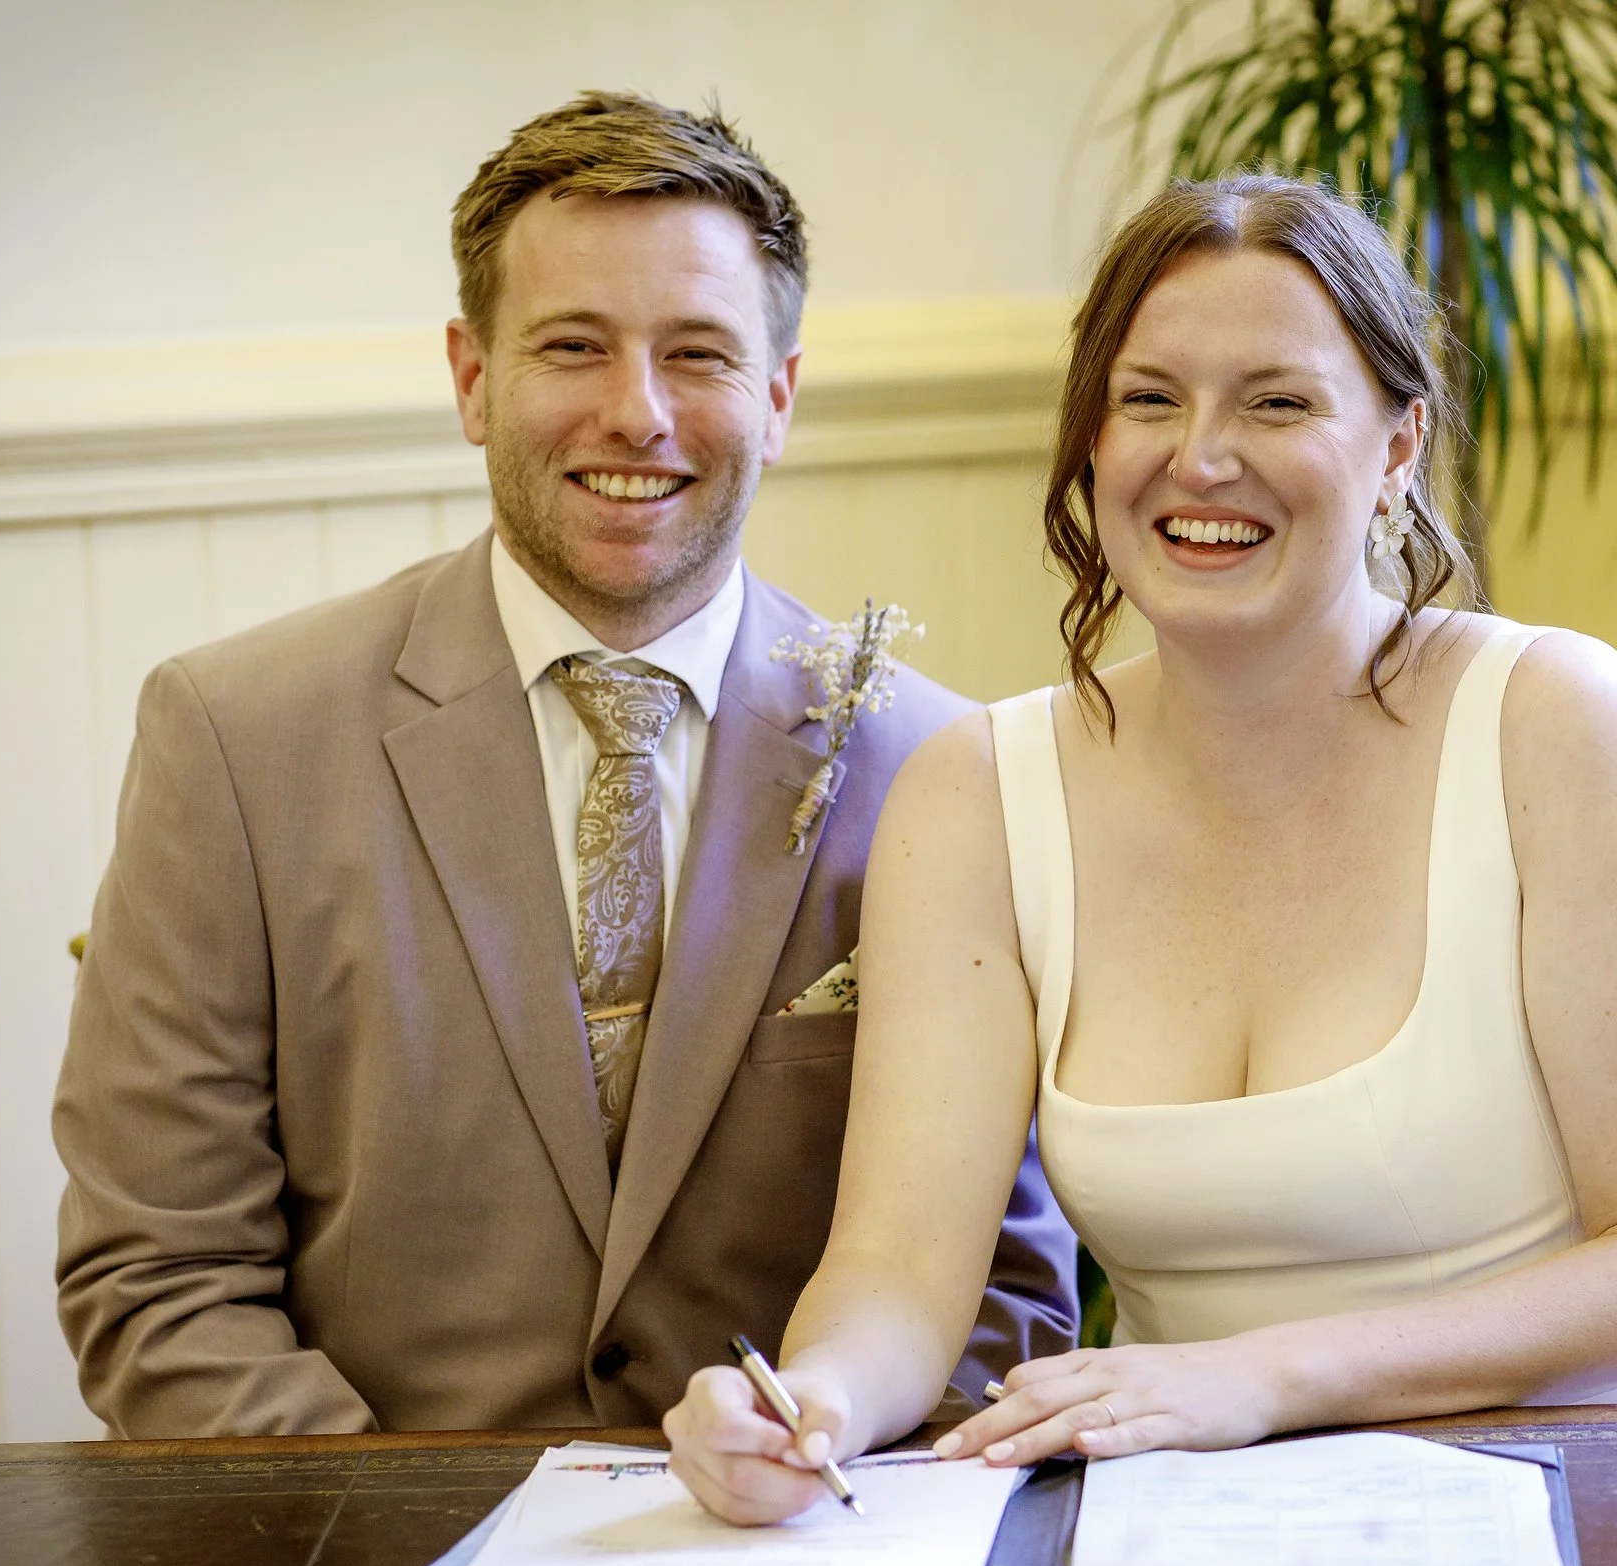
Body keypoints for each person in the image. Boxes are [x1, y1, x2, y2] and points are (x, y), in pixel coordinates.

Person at [665, 174, 1617, 1523]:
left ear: (1400, 446)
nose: (1202, 457)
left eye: (1276, 402)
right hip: (1205, 1521)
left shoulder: (1561, 728)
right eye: (1151, 398)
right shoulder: (976, 794)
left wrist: (1264, 1377)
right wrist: (805, 1400)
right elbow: (898, 1266)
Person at [53, 93, 1077, 1438]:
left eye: (698, 353)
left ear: (777, 397)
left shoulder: (939, 767)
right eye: (574, 347)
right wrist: (403, 1544)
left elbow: (1006, 1288)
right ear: (473, 379)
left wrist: (808, 1486)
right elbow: (160, 1281)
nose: (636, 412)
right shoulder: (234, 740)